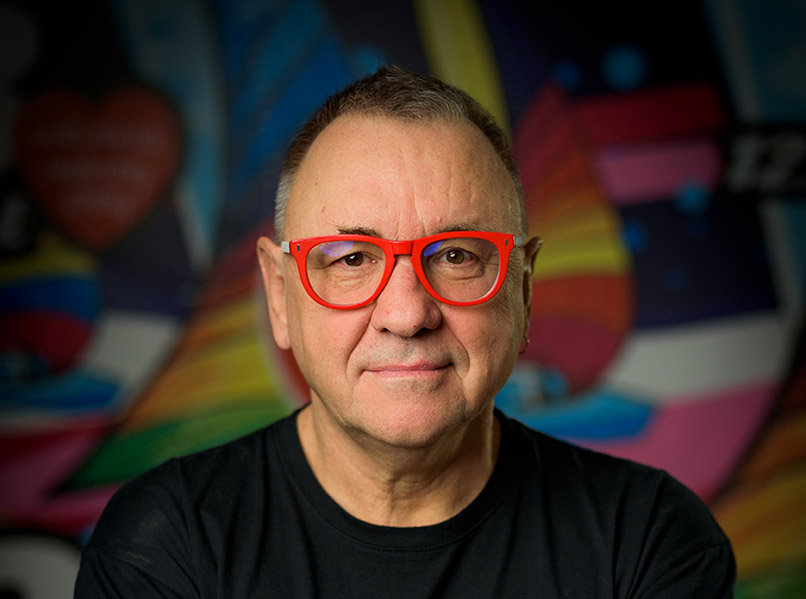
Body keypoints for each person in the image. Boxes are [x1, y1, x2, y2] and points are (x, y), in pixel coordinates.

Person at [75, 66, 735, 598]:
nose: (408, 313)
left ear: (524, 290)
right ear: (279, 295)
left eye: (457, 256)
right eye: (351, 259)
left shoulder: (646, 540)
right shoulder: (166, 543)